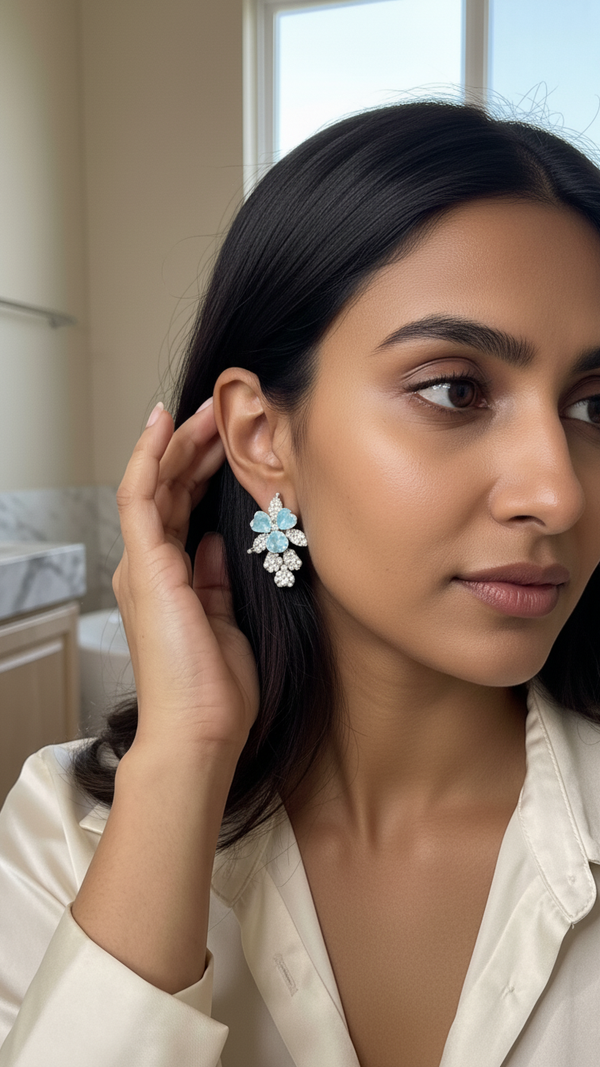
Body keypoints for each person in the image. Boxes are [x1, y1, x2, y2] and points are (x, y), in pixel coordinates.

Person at [2, 100, 600, 1067]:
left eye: (594, 405)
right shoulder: (62, 837)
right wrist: (183, 760)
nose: (558, 491)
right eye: (455, 388)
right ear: (261, 438)